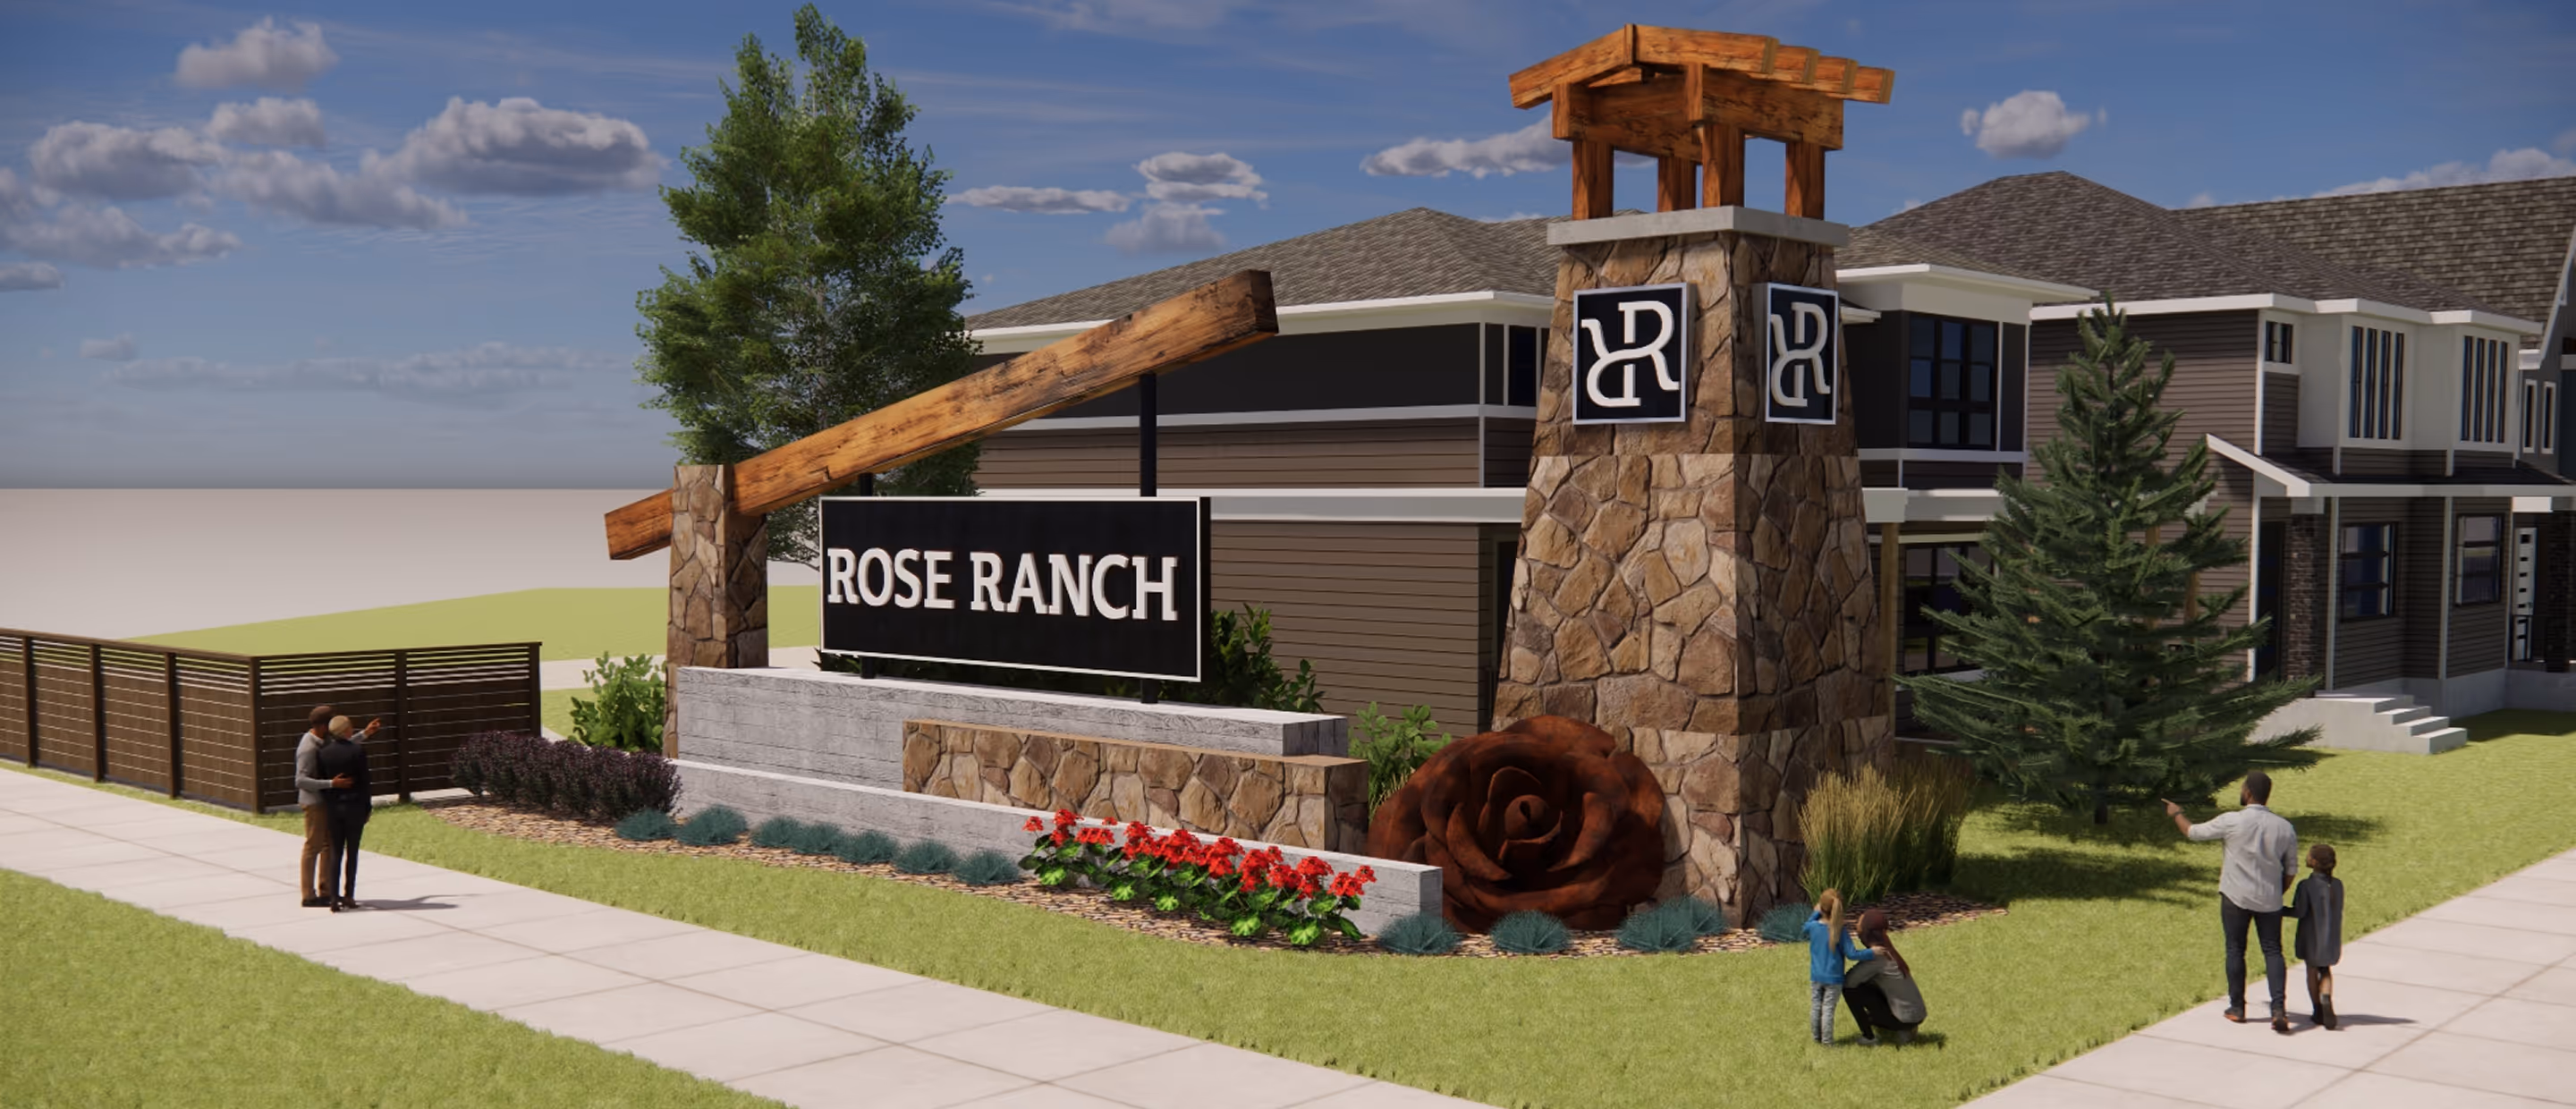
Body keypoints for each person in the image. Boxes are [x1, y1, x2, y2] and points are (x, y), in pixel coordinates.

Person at [2166, 770, 2300, 1034]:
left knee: (2235, 949)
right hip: (2270, 899)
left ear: (2248, 792)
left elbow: (2192, 832)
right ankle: (2278, 1009)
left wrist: (2175, 813)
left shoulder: (2232, 821)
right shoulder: (2285, 827)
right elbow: (2291, 870)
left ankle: (2237, 1008)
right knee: (2273, 951)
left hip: (2235, 897)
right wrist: (2277, 892)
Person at [314, 715, 379, 912]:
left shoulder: (323, 753)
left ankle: (333, 897)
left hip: (334, 808)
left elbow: (322, 782)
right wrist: (367, 807)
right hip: (355, 807)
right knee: (352, 851)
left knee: (336, 852)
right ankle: (349, 894)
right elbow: (365, 782)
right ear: (346, 731)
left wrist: (330, 803)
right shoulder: (358, 751)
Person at [292, 705, 350, 908]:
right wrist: (331, 784)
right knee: (312, 847)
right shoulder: (308, 748)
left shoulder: (325, 740)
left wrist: (365, 734)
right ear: (324, 725)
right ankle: (308, 896)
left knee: (327, 845)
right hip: (313, 804)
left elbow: (344, 743)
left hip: (324, 802)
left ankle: (325, 891)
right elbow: (300, 780)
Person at [1802, 888, 1877, 1046]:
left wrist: (1816, 913)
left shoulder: (1813, 927)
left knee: (1816, 1006)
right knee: (1828, 1009)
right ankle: (1827, 1042)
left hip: (1816, 976)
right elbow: (1852, 954)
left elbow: (1805, 927)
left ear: (1821, 907)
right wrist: (1872, 952)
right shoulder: (1840, 931)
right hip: (1834, 979)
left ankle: (1817, 1038)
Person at [1842, 908, 1928, 1044]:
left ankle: (1869, 1036)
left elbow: (1849, 982)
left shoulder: (1877, 957)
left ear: (1866, 933)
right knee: (1869, 984)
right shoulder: (1890, 952)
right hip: (1917, 1015)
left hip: (1904, 1019)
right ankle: (1907, 1028)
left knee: (1850, 990)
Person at [2284, 843, 2345, 1029]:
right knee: (2325, 969)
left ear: (2314, 862)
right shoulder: (2337, 885)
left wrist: (2278, 910)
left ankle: (2317, 1009)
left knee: (2312, 970)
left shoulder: (2307, 885)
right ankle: (2326, 995)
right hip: (2332, 935)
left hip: (2312, 936)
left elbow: (2300, 911)